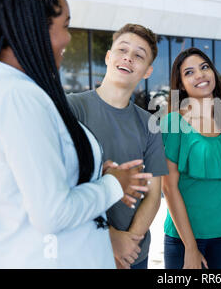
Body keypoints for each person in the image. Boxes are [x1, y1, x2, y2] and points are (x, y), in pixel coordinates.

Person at [0, 0, 151, 268]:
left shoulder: (13, 91)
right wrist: (112, 185)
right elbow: (52, 213)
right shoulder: (18, 98)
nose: (69, 38)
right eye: (65, 26)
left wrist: (91, 173)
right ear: (35, 27)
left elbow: (36, 181)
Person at [67, 23, 168, 269]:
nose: (128, 58)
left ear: (147, 71)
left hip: (135, 255)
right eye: (122, 50)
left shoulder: (149, 123)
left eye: (138, 55)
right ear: (108, 56)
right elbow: (63, 185)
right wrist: (110, 239)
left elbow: (153, 195)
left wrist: (129, 244)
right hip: (86, 251)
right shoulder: (72, 108)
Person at [161, 47, 221, 269]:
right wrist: (190, 246)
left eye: (204, 67)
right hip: (185, 237)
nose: (199, 75)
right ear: (181, 84)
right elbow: (169, 187)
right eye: (189, 72)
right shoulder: (172, 122)